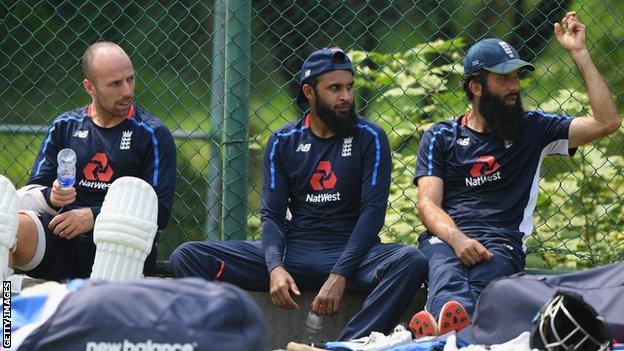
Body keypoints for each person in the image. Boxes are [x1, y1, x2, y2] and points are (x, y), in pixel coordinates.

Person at [170, 47, 427, 340]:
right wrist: (275, 267)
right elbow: (272, 215)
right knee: (188, 256)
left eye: (349, 87)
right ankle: (224, 342)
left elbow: (372, 214)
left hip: (353, 257)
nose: (346, 96)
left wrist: (339, 275)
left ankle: (349, 345)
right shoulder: (283, 141)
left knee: (411, 261)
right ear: (309, 91)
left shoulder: (370, 136)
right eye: (334, 88)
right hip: (295, 251)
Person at [409, 12, 621, 338]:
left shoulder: (533, 129)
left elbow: (606, 122)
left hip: (501, 240)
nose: (514, 87)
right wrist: (458, 239)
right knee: (445, 271)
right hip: (446, 237)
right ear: (476, 86)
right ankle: (455, 333)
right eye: (503, 79)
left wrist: (579, 53)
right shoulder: (440, 136)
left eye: (517, 78)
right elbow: (427, 204)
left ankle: (443, 336)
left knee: (486, 282)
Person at [0, 42, 176, 281]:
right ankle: (6, 313)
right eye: (115, 84)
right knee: (7, 228)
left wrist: (93, 217)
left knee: (124, 226)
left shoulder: (152, 134)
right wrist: (52, 197)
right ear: (89, 87)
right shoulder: (65, 126)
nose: (127, 92)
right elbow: (33, 191)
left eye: (130, 79)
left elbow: (160, 212)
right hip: (61, 236)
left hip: (119, 249)